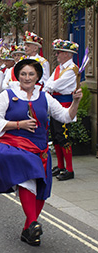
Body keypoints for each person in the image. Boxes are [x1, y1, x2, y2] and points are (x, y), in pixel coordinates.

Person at [0, 59, 82, 246]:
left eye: (31, 74)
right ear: (18, 76)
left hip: (40, 150)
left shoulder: (45, 97)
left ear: (37, 76)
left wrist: (75, 102)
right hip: (14, 146)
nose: (27, 77)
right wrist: (18, 125)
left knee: (41, 192)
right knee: (27, 178)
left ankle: (29, 230)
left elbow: (65, 116)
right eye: (23, 74)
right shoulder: (7, 95)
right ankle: (34, 222)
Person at [44, 39, 79, 181]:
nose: (57, 54)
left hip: (65, 106)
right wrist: (50, 86)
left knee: (63, 136)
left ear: (67, 54)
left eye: (60, 52)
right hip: (54, 104)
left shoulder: (72, 69)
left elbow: (56, 85)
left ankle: (69, 169)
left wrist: (51, 86)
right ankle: (60, 165)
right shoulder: (59, 68)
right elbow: (48, 83)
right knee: (56, 136)